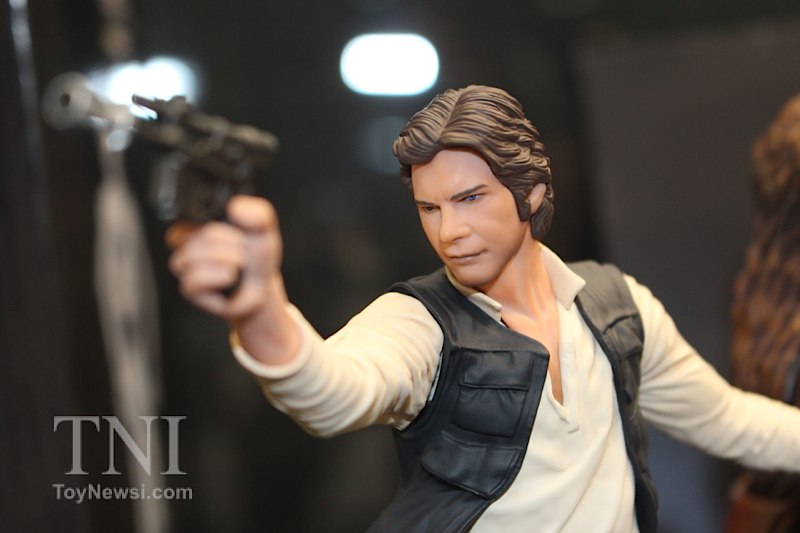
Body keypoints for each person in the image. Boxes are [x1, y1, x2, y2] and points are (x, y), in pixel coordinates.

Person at [167, 85, 800, 532]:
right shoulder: (420, 322)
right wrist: (259, 308)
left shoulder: (615, 306)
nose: (449, 232)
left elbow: (727, 419)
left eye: (470, 198)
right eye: (430, 208)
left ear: (533, 192)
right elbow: (332, 394)